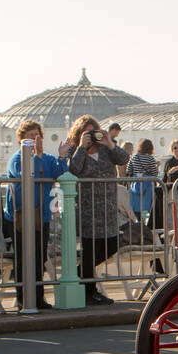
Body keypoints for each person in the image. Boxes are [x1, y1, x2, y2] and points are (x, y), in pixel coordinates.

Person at [5, 120, 69, 310]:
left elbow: (61, 173)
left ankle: (38, 298)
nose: (34, 139)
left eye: (37, 135)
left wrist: (62, 156)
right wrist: (38, 156)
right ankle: (23, 298)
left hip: (42, 215)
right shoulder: (16, 158)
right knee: (23, 258)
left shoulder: (47, 157)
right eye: (30, 135)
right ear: (21, 139)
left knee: (39, 257)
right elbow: (28, 173)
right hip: (21, 215)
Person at [69, 115, 129, 304]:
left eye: (93, 131)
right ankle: (89, 290)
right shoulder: (74, 150)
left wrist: (109, 143)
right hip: (88, 208)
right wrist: (81, 147)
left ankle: (77, 275)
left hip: (108, 207)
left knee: (111, 243)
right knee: (90, 249)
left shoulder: (105, 149)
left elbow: (123, 158)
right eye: (86, 132)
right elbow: (73, 170)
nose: (91, 136)